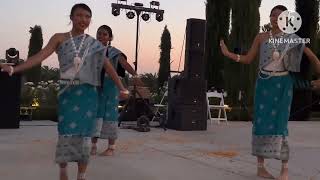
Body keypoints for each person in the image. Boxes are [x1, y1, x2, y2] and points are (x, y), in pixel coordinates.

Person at [0, 3, 129, 180]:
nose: (83, 20)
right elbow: (40, 56)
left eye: (87, 17)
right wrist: (15, 69)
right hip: (68, 95)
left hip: (88, 95)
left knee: (84, 136)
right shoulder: (59, 38)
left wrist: (122, 88)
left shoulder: (93, 44)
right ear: (71, 17)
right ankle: (63, 168)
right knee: (65, 133)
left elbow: (108, 67)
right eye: (79, 15)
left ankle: (81, 175)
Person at [220, 5, 320, 180]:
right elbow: (248, 59)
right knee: (260, 123)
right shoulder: (261, 37)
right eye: (273, 15)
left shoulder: (292, 38)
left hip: (283, 85)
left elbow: (313, 58)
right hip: (264, 84)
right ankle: (260, 167)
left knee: (280, 125)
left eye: (280, 16)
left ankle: (285, 170)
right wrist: (229, 54)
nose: (275, 18)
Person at [90, 25, 143, 156]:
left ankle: (111, 148)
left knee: (110, 116)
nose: (101, 36)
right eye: (99, 34)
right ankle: (93, 146)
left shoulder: (113, 52)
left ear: (110, 37)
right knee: (96, 115)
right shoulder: (92, 51)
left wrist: (135, 75)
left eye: (104, 34)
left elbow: (124, 64)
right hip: (96, 87)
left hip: (110, 87)